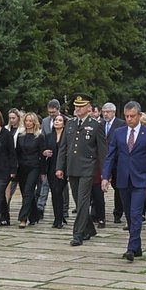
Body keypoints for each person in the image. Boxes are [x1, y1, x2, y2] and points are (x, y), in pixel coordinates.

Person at [102, 101, 146, 260]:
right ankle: (137, 246)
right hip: (123, 179)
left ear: (139, 116)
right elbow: (110, 156)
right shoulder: (119, 133)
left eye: (132, 116)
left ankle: (131, 249)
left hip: (141, 180)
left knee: (135, 214)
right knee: (128, 213)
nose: (129, 119)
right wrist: (105, 176)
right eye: (126, 116)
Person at [57, 93, 106, 245]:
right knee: (78, 202)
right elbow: (63, 148)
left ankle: (78, 234)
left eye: (81, 106)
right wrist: (60, 167)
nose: (77, 109)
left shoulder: (96, 125)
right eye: (76, 106)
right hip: (72, 167)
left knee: (83, 200)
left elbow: (103, 152)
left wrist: (105, 174)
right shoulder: (70, 124)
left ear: (88, 107)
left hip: (87, 168)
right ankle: (90, 229)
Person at [16, 112, 45, 227]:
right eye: (26, 121)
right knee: (26, 193)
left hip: (34, 167)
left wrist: (43, 171)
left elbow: (42, 155)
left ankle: (23, 218)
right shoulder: (20, 135)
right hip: (22, 167)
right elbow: (17, 153)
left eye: (30, 121)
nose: (28, 123)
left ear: (34, 122)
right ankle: (34, 215)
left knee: (28, 191)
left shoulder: (39, 136)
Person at [43, 113, 69, 228]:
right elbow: (43, 150)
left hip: (64, 167)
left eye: (59, 120)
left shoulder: (67, 135)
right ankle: (57, 217)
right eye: (55, 120)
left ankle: (60, 217)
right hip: (51, 167)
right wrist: (44, 153)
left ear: (64, 123)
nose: (57, 122)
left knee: (59, 191)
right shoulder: (49, 136)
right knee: (54, 192)